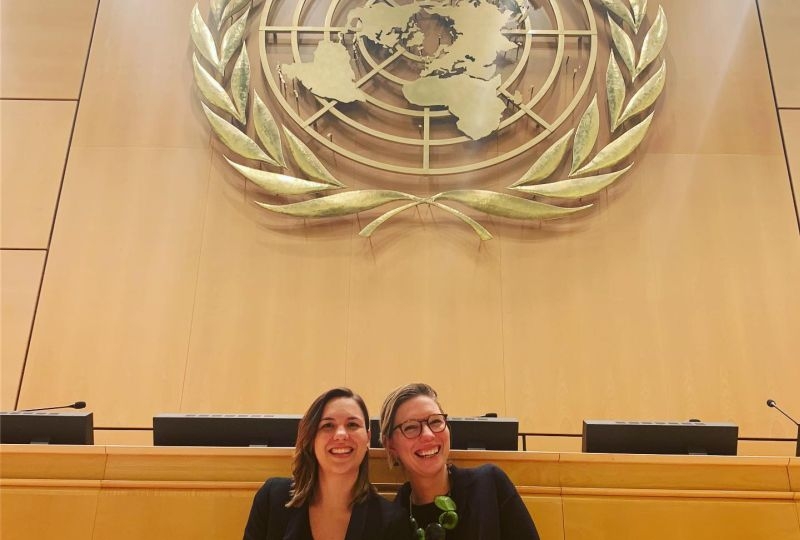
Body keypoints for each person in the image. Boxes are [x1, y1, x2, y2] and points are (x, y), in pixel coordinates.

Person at [380, 383, 540, 540]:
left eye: (435, 422)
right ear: (391, 445)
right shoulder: (392, 520)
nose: (428, 434)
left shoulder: (489, 484)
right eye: (410, 427)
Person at [244, 387, 406, 540]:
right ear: (312, 437)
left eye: (352, 425)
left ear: (368, 439)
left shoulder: (392, 522)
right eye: (328, 425)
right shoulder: (272, 498)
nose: (341, 435)